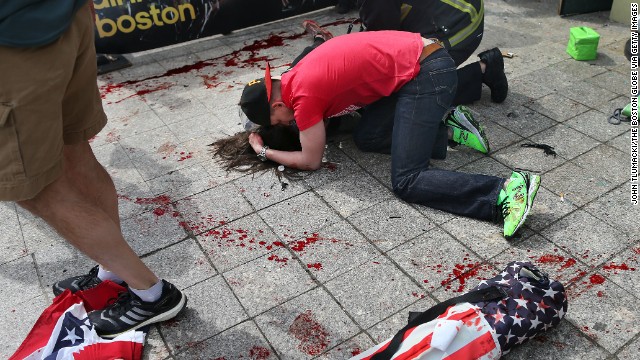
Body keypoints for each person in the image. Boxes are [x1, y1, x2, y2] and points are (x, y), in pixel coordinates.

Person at [238, 30, 540, 238]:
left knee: (407, 180)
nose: (282, 124)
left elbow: (310, 160)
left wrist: (264, 151)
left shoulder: (302, 98)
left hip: (427, 75)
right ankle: (447, 129)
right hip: (419, 63)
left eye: (277, 121)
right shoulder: (295, 73)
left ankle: (504, 190)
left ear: (277, 104)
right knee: (367, 137)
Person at [0, 1, 186, 338]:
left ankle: (152, 294)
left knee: (36, 190)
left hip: (13, 48)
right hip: (63, 18)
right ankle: (112, 272)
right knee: (75, 151)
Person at [358, 0, 508, 105]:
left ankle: (482, 70)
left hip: (459, 19)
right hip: (434, 12)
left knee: (405, 96)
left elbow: (382, 44)